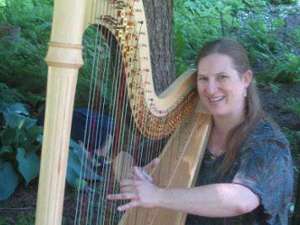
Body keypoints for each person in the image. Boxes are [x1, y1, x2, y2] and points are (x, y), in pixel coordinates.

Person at [107, 39, 294, 225]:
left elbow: (242, 199)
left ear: (245, 79)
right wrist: (134, 178)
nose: (211, 89)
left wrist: (159, 195)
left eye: (222, 77)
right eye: (204, 78)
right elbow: (123, 157)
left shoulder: (268, 142)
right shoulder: (190, 127)